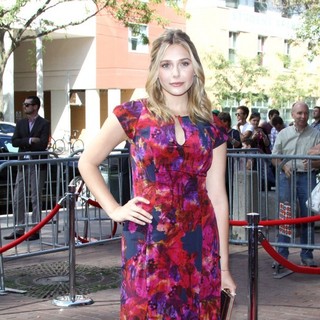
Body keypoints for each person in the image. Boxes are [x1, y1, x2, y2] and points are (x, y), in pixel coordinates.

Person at [78, 29, 236, 318]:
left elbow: (218, 197)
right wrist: (114, 209)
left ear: (195, 69)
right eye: (166, 65)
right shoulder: (134, 115)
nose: (176, 73)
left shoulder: (213, 126)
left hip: (199, 242)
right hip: (148, 240)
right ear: (156, 71)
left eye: (184, 63)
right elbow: (87, 162)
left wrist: (224, 268)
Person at [272, 101, 320, 267]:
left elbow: (319, 160)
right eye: (299, 113)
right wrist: (283, 165)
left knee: (308, 216)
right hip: (287, 177)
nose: (303, 116)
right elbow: (274, 156)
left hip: (308, 177)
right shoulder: (283, 134)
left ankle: (307, 255)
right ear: (292, 114)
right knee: (285, 215)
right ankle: (282, 255)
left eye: (305, 113)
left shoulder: (315, 133)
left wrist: (314, 163)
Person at [3, 96, 50, 241]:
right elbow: (14, 141)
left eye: (27, 105)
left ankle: (35, 230)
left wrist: (27, 144)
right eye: (24, 105)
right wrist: (30, 140)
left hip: (37, 164)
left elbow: (42, 144)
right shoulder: (21, 123)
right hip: (22, 163)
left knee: (36, 197)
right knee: (18, 196)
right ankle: (19, 228)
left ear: (35, 107)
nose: (24, 107)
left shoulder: (44, 123)